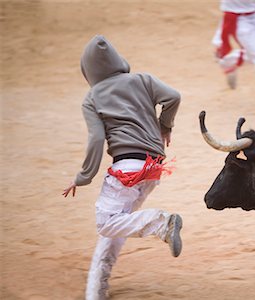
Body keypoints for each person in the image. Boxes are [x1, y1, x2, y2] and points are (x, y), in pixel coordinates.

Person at [62, 35, 182, 300]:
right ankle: (96, 292)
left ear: (88, 70)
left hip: (127, 169)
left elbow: (95, 139)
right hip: (153, 168)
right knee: (117, 226)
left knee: (107, 223)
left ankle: (161, 223)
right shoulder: (142, 80)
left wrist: (82, 177)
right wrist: (165, 125)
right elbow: (173, 97)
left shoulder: (92, 97)